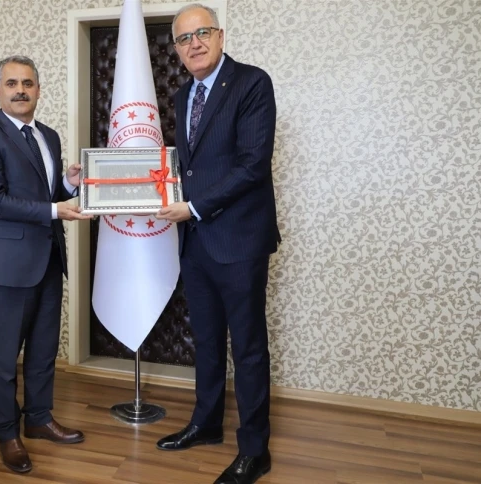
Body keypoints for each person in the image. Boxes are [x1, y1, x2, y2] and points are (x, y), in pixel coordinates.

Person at [155, 4, 281, 484]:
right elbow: (188, 167)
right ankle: (206, 424)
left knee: (247, 348)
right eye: (184, 38)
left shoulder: (251, 83)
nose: (194, 44)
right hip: (196, 243)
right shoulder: (182, 94)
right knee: (205, 341)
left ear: (221, 35)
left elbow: (252, 165)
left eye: (202, 33)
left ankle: (255, 450)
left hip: (239, 240)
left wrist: (193, 208)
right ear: (177, 49)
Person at [0, 55, 92, 474]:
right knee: (4, 358)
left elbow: (46, 194)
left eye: (28, 83)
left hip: (48, 260)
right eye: (12, 83)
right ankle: (7, 433)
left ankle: (38, 418)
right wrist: (56, 209)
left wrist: (68, 183)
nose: (21, 90)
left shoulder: (48, 136)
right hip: (8, 266)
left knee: (42, 349)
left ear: (38, 89)